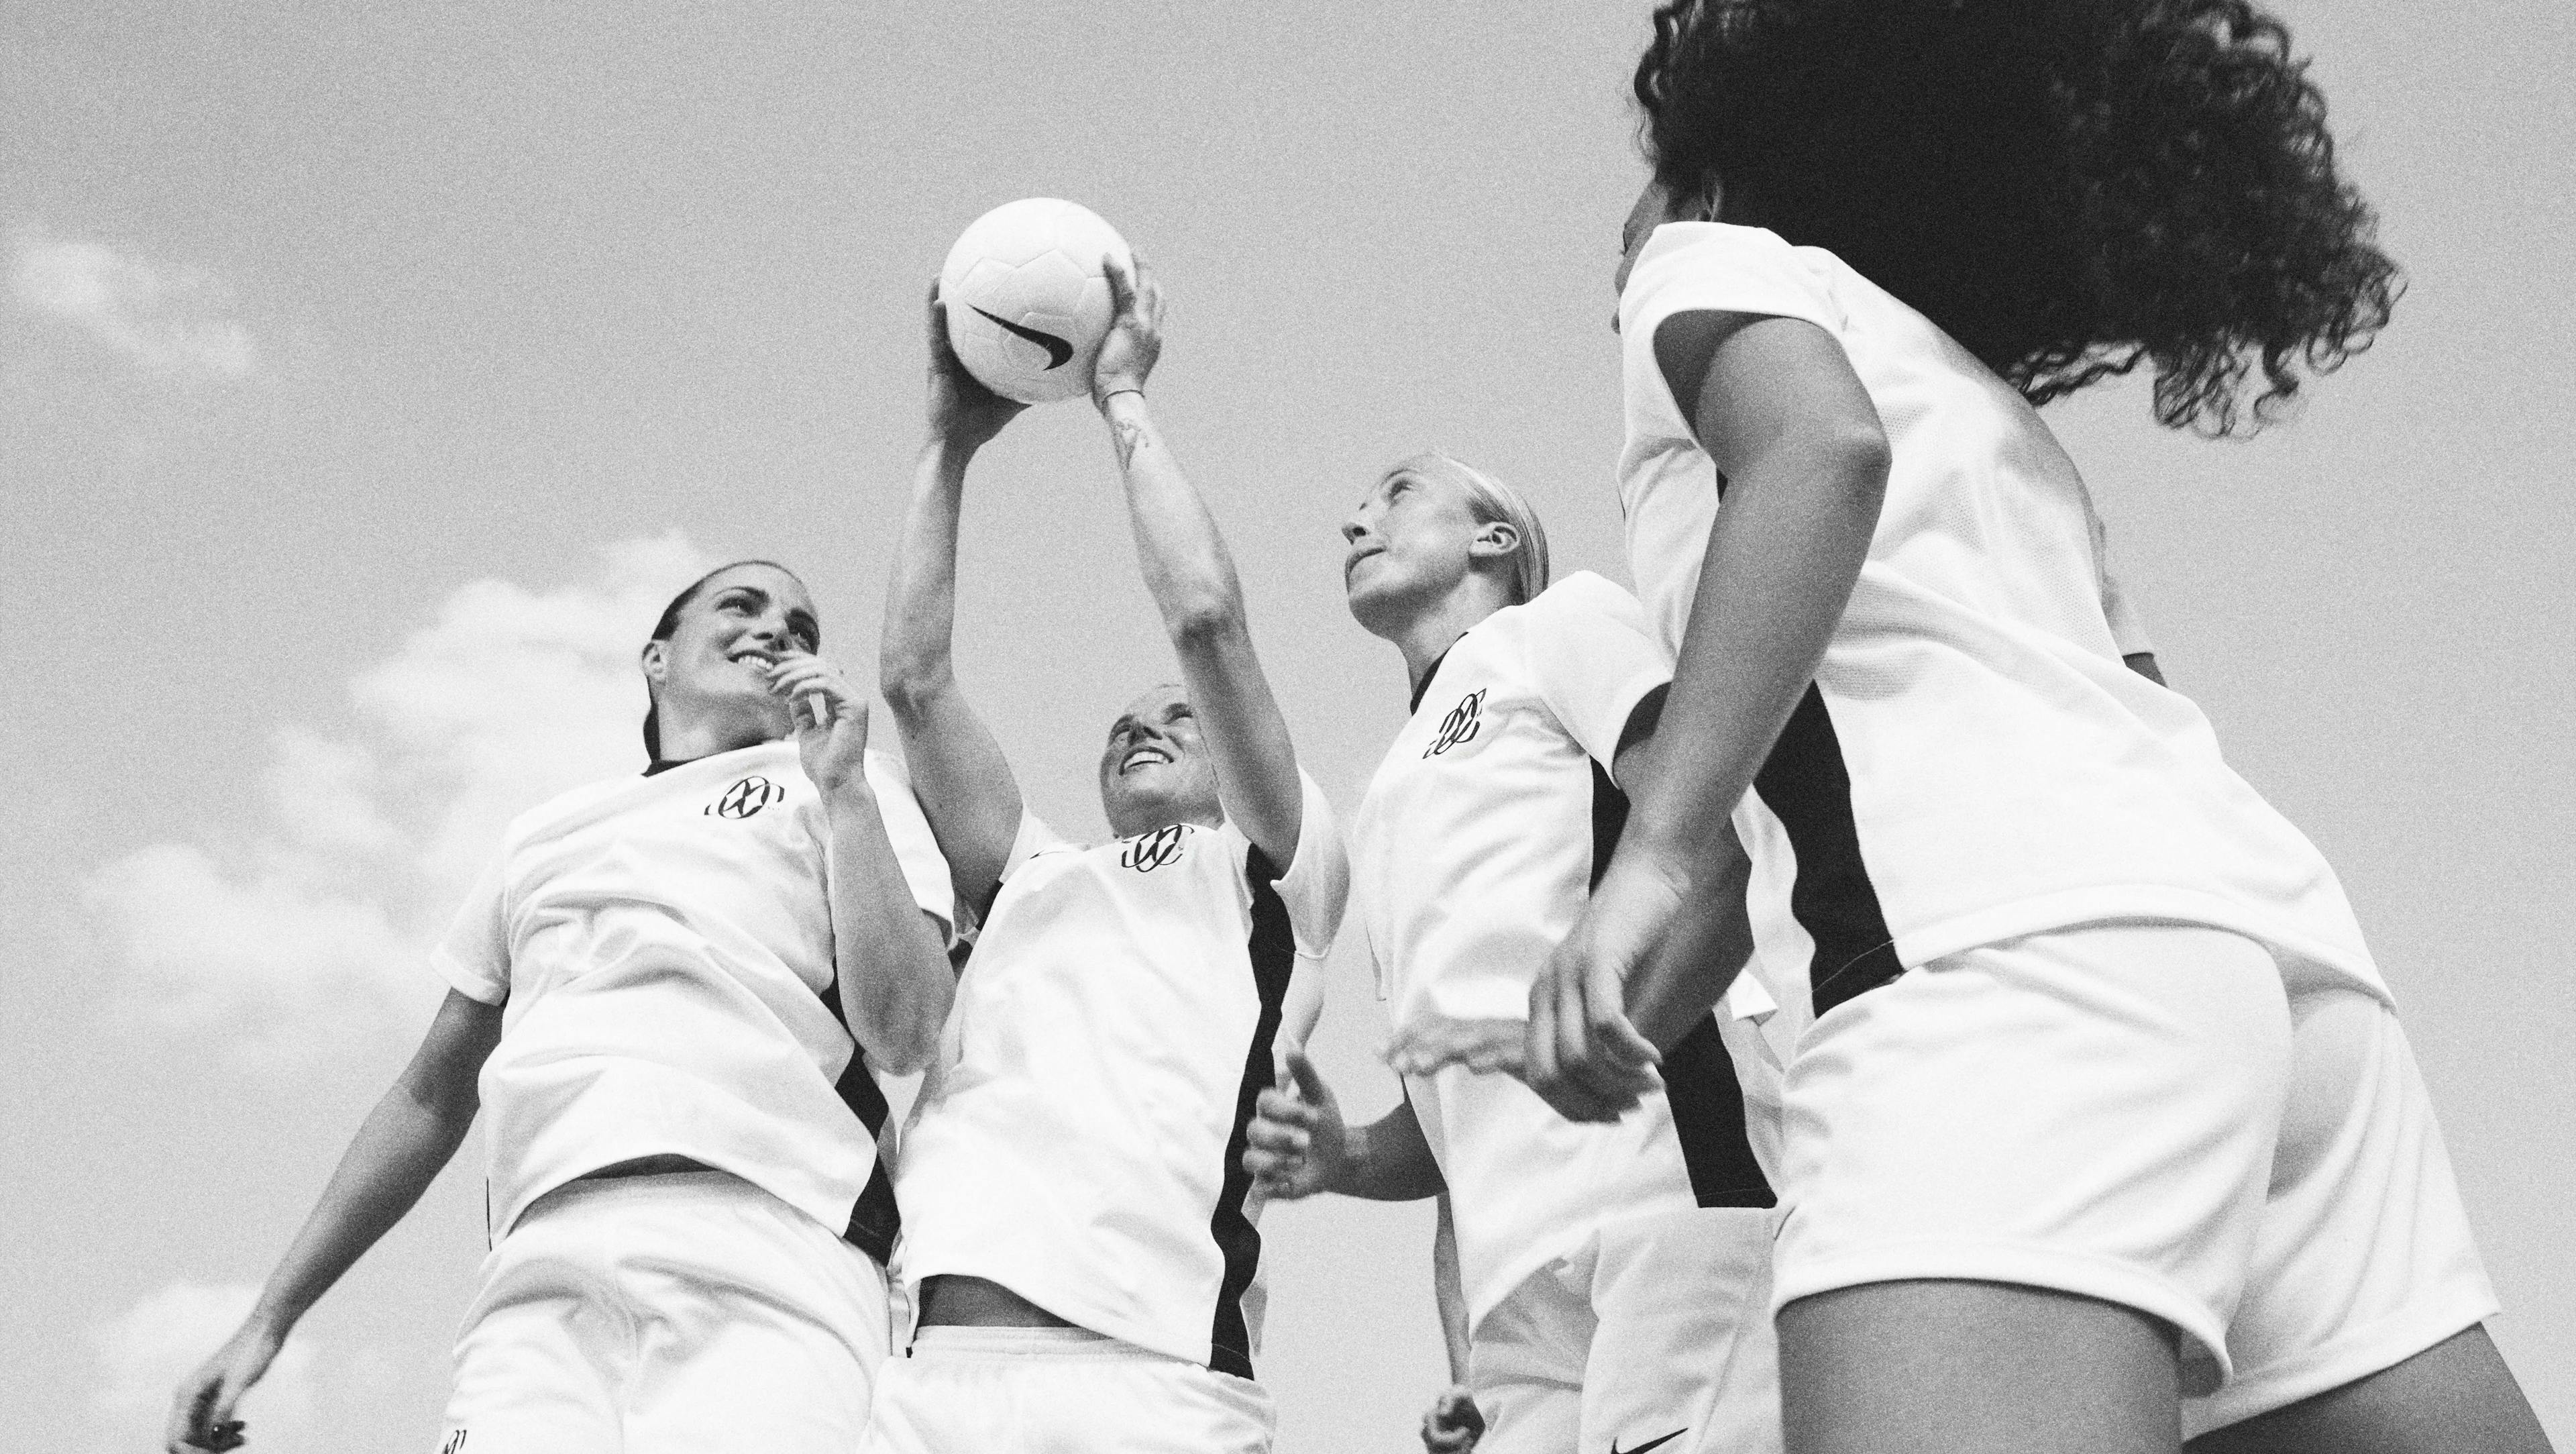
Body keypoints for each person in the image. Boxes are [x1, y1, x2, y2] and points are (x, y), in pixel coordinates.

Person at [1418, 3, 2555, 1453]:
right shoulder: (1982, 402)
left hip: (2002, 973)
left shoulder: (1705, 268)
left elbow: (1821, 451)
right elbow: (2122, 696)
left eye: (1643, 193)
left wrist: (1650, 854)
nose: (1622, 237)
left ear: (1715, 183)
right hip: (2267, 974)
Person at [163, 561, 962, 1454]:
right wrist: (268, 1320)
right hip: (541, 1266)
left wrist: (845, 792)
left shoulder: (845, 784)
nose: (777, 629)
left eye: (803, 627)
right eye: (741, 605)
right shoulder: (544, 836)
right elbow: (428, 1098)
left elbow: (907, 1034)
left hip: (775, 1235)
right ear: (656, 658)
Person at [862, 258, 1348, 1454]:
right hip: (933, 1376)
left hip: (1155, 1377)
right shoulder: (1027, 878)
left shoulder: (1275, 868)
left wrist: (1121, 398)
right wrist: (948, 447)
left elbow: (1206, 622)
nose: (1145, 727)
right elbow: (914, 684)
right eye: (1125, 723)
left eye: (1178, 718)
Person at [1244, 452, 1786, 1454]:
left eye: (1398, 493)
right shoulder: (1389, 795)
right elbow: (1453, 1112)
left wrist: (1610, 1045)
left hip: (1665, 1205)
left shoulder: (1558, 625)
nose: (1357, 521)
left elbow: (1720, 850)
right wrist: (1348, 1156)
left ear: (1494, 540)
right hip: (1515, 1298)